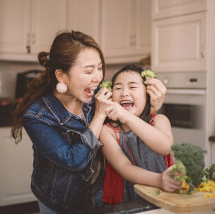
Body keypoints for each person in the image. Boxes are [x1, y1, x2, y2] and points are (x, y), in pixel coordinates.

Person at [11, 31, 166, 213]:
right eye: (88, 71)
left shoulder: (96, 92)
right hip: (59, 202)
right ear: (61, 76)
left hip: (98, 197)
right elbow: (74, 162)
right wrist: (99, 115)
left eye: (99, 68)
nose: (98, 78)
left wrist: (151, 107)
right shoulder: (37, 116)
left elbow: (127, 124)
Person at [99, 64, 182, 205]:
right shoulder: (107, 131)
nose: (124, 92)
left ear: (147, 94)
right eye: (118, 88)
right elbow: (124, 167)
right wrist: (159, 180)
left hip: (164, 197)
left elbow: (165, 147)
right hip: (126, 200)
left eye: (132, 87)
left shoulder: (160, 120)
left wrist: (127, 117)